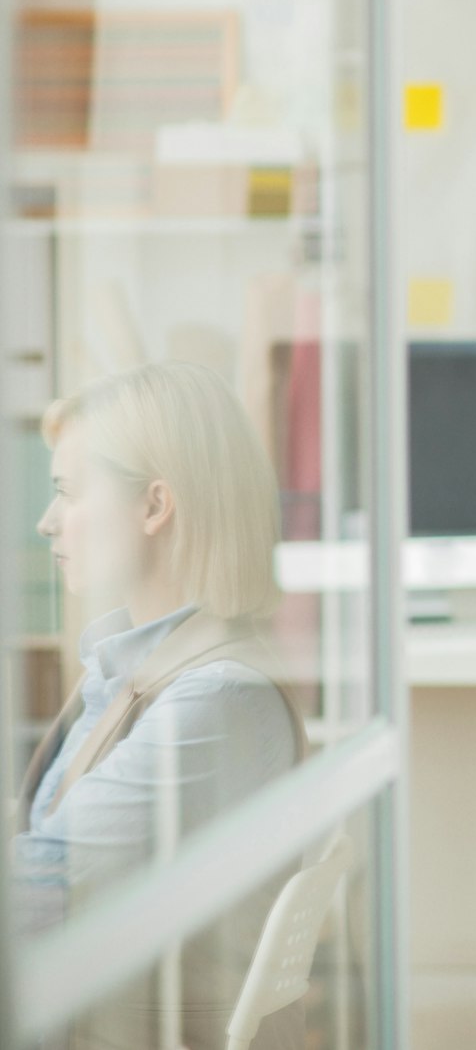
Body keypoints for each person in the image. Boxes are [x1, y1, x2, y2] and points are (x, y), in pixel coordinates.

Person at [12, 360, 305, 1048]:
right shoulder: (139, 663)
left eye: (68, 492)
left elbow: (43, 886)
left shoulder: (215, 695)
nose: (47, 521)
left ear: (153, 506)